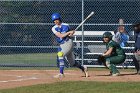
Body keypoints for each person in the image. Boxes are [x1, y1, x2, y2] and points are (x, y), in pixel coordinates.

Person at [51, 13, 88, 78]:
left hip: (68, 43)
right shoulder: (54, 28)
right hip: (62, 45)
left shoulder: (66, 25)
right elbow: (60, 35)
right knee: (72, 63)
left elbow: (70, 35)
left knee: (60, 54)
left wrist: (71, 33)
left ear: (59, 19)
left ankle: (61, 73)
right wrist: (69, 32)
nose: (55, 21)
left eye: (56, 20)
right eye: (54, 20)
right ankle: (83, 68)